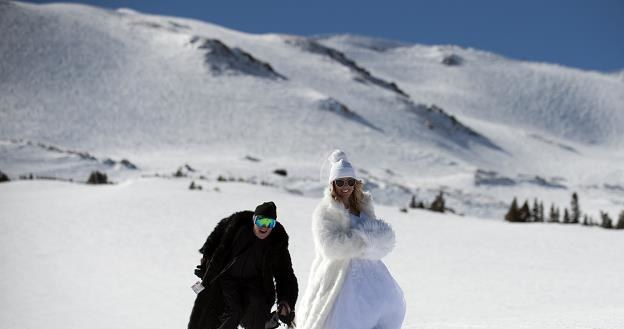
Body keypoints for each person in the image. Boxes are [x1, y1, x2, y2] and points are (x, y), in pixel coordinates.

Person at [298, 150, 405, 329]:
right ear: (332, 184)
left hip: (371, 273)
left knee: (383, 310)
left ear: (356, 183)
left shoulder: (363, 208)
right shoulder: (325, 211)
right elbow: (329, 246)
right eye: (340, 181)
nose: (345, 186)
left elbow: (375, 232)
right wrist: (361, 242)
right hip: (339, 275)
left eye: (350, 181)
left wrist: (377, 240)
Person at [188, 201, 298, 329]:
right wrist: (206, 263)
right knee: (220, 314)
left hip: (254, 286)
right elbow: (215, 241)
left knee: (255, 312)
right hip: (226, 279)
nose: (264, 227)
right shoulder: (236, 228)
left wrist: (285, 302)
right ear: (253, 220)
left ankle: (264, 323)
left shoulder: (276, 243)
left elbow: (285, 276)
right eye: (260, 221)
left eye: (270, 223)